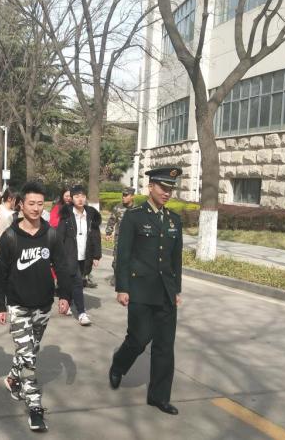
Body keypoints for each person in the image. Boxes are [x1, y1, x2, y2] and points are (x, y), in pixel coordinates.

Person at [0, 181, 71, 433]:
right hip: (17, 305)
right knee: (28, 357)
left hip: (43, 305)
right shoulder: (10, 237)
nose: (36, 208)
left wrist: (65, 295)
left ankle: (12, 378)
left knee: (30, 351)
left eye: (40, 204)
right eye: (31, 203)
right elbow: (0, 273)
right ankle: (35, 407)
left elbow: (62, 266)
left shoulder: (51, 234)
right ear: (21, 205)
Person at [108, 167, 183, 416]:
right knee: (139, 339)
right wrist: (122, 288)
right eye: (163, 187)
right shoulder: (134, 217)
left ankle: (159, 397)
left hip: (165, 292)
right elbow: (124, 255)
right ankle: (119, 364)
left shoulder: (174, 220)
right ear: (150, 187)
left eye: (170, 189)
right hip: (140, 290)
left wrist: (176, 290)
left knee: (165, 346)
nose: (167, 193)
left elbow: (176, 260)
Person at [57, 184, 102, 326]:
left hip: (85, 255)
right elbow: (59, 237)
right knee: (77, 282)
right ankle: (82, 313)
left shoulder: (91, 215)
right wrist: (57, 256)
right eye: (77, 196)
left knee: (76, 281)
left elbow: (96, 236)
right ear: (71, 199)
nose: (80, 199)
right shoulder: (66, 215)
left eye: (82, 196)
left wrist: (96, 255)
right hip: (69, 254)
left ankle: (67, 303)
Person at [105, 187, 136, 286]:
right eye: (123, 195)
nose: (123, 197)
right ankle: (116, 276)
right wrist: (108, 233)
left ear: (132, 196)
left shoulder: (138, 209)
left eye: (126, 195)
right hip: (120, 238)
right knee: (117, 257)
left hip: (133, 239)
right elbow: (111, 220)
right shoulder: (118, 208)